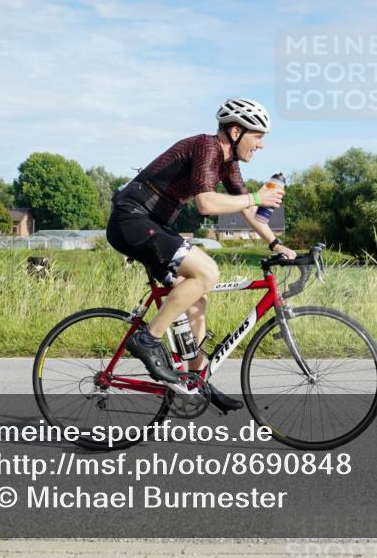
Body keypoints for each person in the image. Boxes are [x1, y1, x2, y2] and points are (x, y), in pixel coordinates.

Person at [106, 98, 296, 412]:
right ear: (235, 131)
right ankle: (147, 340)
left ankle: (197, 380)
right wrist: (257, 196)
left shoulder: (228, 162)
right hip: (131, 220)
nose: (261, 144)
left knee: (197, 298)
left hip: (152, 225)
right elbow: (206, 204)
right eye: (258, 136)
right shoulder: (207, 148)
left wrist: (276, 244)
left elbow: (247, 209)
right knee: (207, 271)